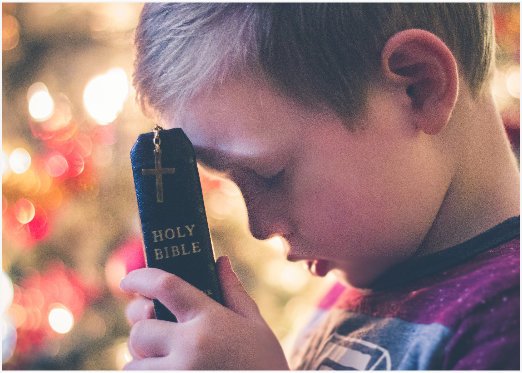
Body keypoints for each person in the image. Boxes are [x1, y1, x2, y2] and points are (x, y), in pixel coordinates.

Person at [120, 3, 520, 370]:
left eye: (270, 175)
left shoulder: (506, 323)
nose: (259, 227)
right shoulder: (357, 290)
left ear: (416, 88)